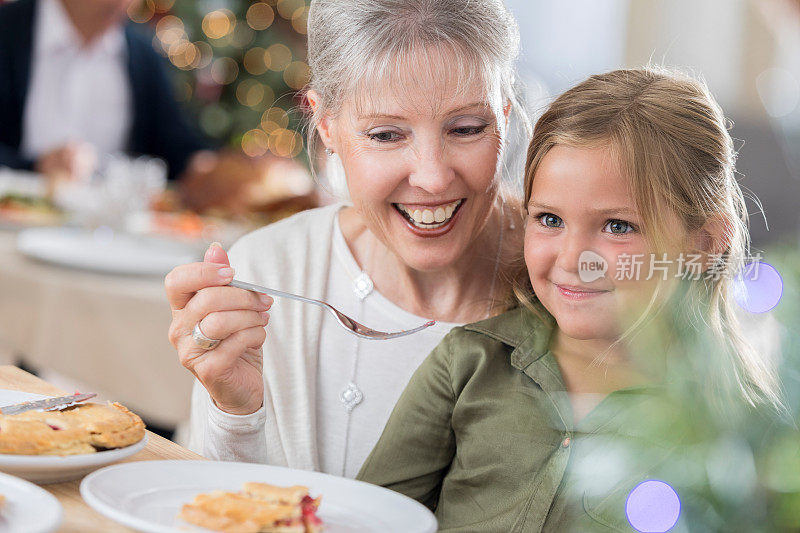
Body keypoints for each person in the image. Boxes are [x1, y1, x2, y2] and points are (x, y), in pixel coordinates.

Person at [357, 68, 789, 531]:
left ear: (703, 243)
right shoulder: (470, 363)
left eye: (617, 226)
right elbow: (363, 517)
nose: (572, 258)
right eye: (548, 219)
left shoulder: (738, 430)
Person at [165, 0, 530, 478]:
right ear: (326, 126)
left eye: (467, 129)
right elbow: (207, 508)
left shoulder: (565, 276)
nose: (434, 178)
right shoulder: (268, 271)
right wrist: (234, 411)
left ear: (503, 115)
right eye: (385, 135)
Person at [0, 0, 208, 183]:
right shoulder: (8, 31)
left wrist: (207, 168)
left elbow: (177, 149)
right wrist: (35, 165)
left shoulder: (143, 55)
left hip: (112, 223)